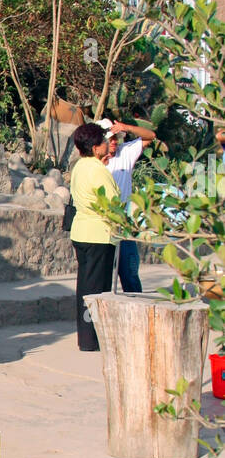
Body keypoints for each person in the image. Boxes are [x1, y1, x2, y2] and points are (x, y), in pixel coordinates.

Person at [69, 120, 120, 352]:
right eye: (103, 141)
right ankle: (92, 339)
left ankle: (86, 337)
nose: (107, 144)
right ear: (96, 147)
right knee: (97, 289)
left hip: (81, 230)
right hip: (99, 233)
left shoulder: (80, 166)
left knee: (85, 286)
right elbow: (113, 203)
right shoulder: (99, 170)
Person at [100, 116, 156, 293]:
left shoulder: (126, 152)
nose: (114, 141)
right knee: (103, 277)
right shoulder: (93, 162)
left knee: (130, 273)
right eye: (110, 138)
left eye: (116, 137)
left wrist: (126, 127)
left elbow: (150, 136)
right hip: (102, 225)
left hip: (125, 224)